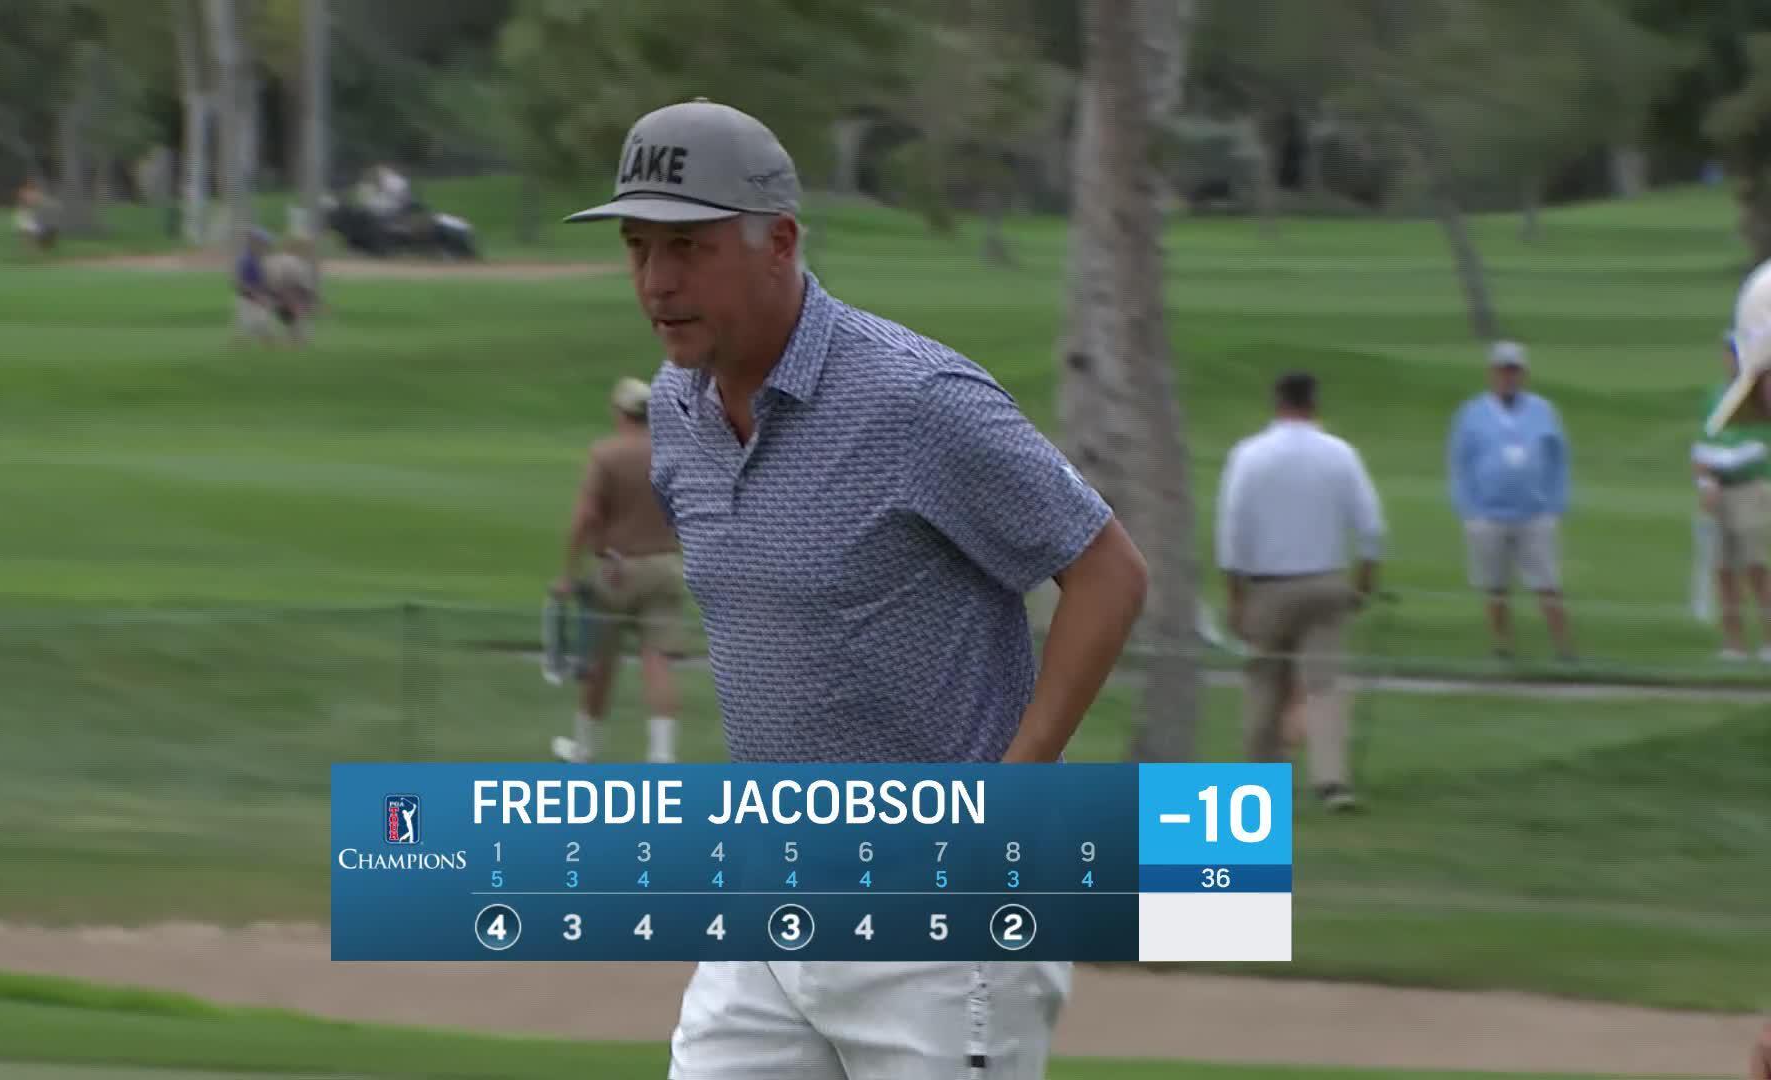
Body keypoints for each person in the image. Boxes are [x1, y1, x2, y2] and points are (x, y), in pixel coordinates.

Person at [564, 97, 1149, 1080]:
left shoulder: (917, 401)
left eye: (690, 249)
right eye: (637, 249)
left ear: (779, 242)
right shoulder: (675, 408)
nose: (656, 284)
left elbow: (1107, 570)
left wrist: (1017, 783)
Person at [1216, 371, 1385, 813]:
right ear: (1314, 403)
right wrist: (1362, 584)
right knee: (1324, 686)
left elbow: (1232, 532)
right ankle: (1332, 782)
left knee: (1264, 683)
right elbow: (1371, 527)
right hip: (1327, 582)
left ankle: (1262, 782)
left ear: (1277, 401)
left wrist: (1235, 596)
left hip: (1268, 586)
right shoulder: (1340, 455)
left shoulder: (1249, 456)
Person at [550, 375, 687, 764]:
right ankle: (662, 757)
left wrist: (568, 570)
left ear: (620, 412)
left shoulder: (606, 454)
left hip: (616, 571)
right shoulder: (670, 453)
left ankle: (585, 749)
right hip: (665, 565)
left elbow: (587, 515)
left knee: (599, 664)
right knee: (658, 660)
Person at [1446, 341, 1576, 662]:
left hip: (1535, 513)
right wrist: (1469, 510)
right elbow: (1460, 462)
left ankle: (1563, 647)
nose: (1508, 377)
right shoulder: (1472, 413)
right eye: (1502, 370)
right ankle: (1501, 645)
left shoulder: (1543, 411)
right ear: (1492, 373)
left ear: (1523, 374)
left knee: (1547, 582)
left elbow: (1559, 459)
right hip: (1488, 513)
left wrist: (1555, 503)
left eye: (1514, 371)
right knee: (1495, 584)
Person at [1693, 331, 1771, 660]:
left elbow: (1754, 450)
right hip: (1719, 493)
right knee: (1724, 570)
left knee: (1756, 568)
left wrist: (1717, 461)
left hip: (1750, 490)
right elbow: (1702, 444)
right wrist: (1705, 482)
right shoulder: (1714, 397)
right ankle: (1733, 644)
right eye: (1729, 354)